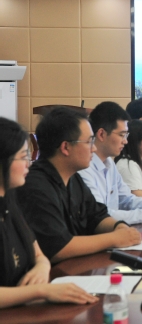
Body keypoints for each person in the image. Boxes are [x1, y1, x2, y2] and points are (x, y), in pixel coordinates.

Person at [17, 107, 141, 263]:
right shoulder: (36, 187)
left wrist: (119, 227)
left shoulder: (73, 177)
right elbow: (58, 248)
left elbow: (97, 216)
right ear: (66, 147)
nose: (94, 148)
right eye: (89, 142)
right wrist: (114, 238)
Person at [0, 117, 98, 309]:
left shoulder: (9, 200)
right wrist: (40, 291)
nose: (29, 164)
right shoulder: (32, 187)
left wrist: (42, 267)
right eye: (23, 157)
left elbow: (38, 253)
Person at [79, 102, 142, 225]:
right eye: (121, 135)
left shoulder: (109, 163)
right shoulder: (84, 168)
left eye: (126, 135)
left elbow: (127, 200)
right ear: (101, 134)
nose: (125, 141)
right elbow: (101, 215)